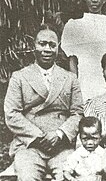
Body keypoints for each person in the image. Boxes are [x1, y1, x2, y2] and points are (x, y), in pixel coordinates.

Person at [4, 24, 84, 181]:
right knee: (27, 177)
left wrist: (59, 134)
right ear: (34, 46)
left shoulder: (70, 78)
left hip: (61, 147)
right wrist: (39, 136)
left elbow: (78, 113)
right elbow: (11, 114)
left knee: (69, 177)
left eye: (52, 45)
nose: (47, 49)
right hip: (29, 146)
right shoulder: (19, 77)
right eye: (42, 44)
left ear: (58, 48)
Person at [63, 116, 106, 181]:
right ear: (80, 138)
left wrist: (105, 174)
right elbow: (66, 171)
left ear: (100, 137)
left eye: (94, 138)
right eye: (85, 139)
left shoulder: (104, 154)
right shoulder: (77, 154)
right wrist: (71, 178)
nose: (90, 142)